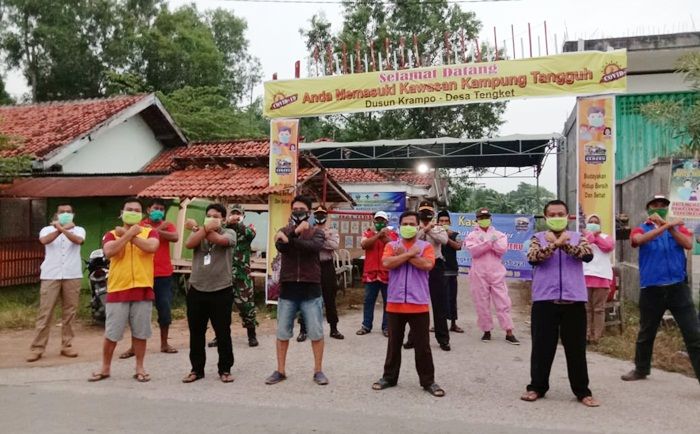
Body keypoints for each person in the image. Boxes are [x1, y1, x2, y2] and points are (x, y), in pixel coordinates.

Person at [520, 200, 599, 407]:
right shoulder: (537, 238)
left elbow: (587, 255)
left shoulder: (578, 237)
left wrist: (565, 243)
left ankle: (582, 391)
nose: (556, 217)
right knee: (541, 347)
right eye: (552, 214)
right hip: (545, 300)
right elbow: (534, 258)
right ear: (546, 218)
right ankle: (536, 387)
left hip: (574, 300)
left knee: (576, 349)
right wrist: (555, 245)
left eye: (560, 214)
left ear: (568, 216)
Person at [621, 195, 700, 383]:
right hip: (651, 288)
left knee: (693, 334)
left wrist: (670, 227)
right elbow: (638, 240)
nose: (659, 208)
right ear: (648, 209)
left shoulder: (678, 228)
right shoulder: (642, 228)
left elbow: (688, 244)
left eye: (663, 205)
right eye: (655, 205)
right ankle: (641, 369)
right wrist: (665, 226)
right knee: (646, 332)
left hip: (678, 288)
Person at [372, 211, 445, 397]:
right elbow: (387, 263)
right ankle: (389, 377)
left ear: (418, 225)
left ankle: (428, 381)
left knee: (423, 347)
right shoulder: (391, 245)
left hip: (418, 303)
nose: (408, 226)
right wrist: (409, 255)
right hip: (395, 303)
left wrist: (406, 255)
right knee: (393, 344)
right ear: (399, 225)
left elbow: (427, 265)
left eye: (412, 223)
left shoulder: (426, 246)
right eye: (405, 223)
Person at [89, 197, 159, 383]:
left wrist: (131, 236)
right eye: (129, 209)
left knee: (141, 332)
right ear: (121, 213)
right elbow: (110, 251)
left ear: (143, 214)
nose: (133, 212)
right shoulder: (111, 234)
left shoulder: (151, 232)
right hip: (118, 289)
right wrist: (127, 235)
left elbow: (151, 247)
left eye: (137, 210)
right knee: (112, 333)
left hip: (143, 288)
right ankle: (105, 367)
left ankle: (140, 367)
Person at [265, 195, 329, 386]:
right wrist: (293, 233)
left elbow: (313, 248)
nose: (298, 211)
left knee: (316, 333)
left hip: (311, 289)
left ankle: (318, 371)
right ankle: (280, 370)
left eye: (302, 208)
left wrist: (290, 239)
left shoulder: (317, 232)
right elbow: (280, 247)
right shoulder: (285, 230)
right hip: (288, 290)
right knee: (283, 333)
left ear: (309, 212)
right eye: (295, 208)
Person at [181, 204, 237, 383]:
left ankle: (225, 369)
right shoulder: (199, 233)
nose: (212, 218)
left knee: (222, 332)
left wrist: (199, 227)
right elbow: (189, 244)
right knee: (196, 332)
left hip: (221, 289)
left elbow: (220, 241)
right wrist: (201, 229)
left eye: (216, 216)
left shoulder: (229, 233)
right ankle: (196, 369)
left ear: (223, 219)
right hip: (197, 289)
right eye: (209, 215)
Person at [120, 198, 179, 359]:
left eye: (161, 209)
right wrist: (161, 229)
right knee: (137, 313)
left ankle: (164, 343)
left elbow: (175, 237)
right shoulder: (141, 224)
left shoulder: (168, 224)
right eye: (155, 208)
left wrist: (159, 230)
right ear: (148, 210)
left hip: (164, 275)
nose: (158, 211)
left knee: (165, 310)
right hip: (143, 275)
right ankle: (133, 346)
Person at [27, 203, 86, 362]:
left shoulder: (79, 229)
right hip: (50, 275)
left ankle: (67, 345)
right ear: (56, 214)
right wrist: (60, 228)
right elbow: (45, 240)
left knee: (69, 313)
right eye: (62, 212)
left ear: (73, 214)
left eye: (68, 212)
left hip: (72, 275)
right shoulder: (47, 230)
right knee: (45, 313)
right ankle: (37, 348)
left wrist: (63, 229)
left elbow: (77, 241)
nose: (65, 213)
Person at [463, 208, 519, 345]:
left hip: (496, 272)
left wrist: (486, 244)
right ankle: (486, 331)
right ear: (477, 220)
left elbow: (502, 249)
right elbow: (473, 251)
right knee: (481, 302)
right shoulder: (471, 235)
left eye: (486, 217)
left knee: (503, 301)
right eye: (481, 218)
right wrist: (489, 243)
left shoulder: (500, 234)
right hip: (479, 273)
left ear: (491, 219)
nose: (484, 220)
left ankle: (509, 331)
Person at [209, 204, 259, 348]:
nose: (235, 216)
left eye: (238, 213)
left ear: (243, 215)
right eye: (233, 213)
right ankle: (219, 337)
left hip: (242, 276)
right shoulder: (223, 230)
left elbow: (251, 234)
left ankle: (252, 335)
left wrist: (238, 224)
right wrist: (227, 223)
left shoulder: (247, 229)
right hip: (224, 275)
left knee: (246, 306)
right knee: (220, 309)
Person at [407, 201, 450, 351]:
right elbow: (412, 240)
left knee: (439, 303)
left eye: (428, 211)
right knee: (416, 302)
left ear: (433, 213)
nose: (426, 214)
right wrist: (424, 229)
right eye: (423, 211)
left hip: (436, 265)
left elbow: (444, 241)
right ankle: (412, 338)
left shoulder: (438, 228)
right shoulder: (413, 228)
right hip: (418, 266)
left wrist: (430, 229)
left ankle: (443, 339)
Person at [302, 205, 343, 339]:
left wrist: (318, 240)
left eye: (322, 214)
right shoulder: (308, 230)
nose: (320, 217)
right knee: (307, 297)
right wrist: (323, 238)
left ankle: (334, 329)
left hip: (327, 267)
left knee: (330, 297)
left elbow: (334, 245)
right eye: (317, 214)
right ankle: (303, 330)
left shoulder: (333, 231)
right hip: (312, 266)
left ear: (326, 216)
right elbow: (307, 246)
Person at [357, 211, 397, 337]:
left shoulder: (393, 234)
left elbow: (395, 248)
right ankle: (366, 326)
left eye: (382, 221)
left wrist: (384, 236)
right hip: (371, 273)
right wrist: (377, 235)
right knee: (368, 301)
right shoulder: (367, 233)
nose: (380, 223)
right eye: (377, 220)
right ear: (374, 222)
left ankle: (386, 327)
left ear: (387, 222)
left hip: (387, 273)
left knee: (388, 301)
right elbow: (364, 244)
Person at [582, 214, 614, 344]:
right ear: (586, 223)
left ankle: (597, 337)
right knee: (586, 309)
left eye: (596, 221)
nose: (594, 223)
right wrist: (590, 235)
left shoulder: (607, 237)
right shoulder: (583, 238)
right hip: (584, 276)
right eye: (591, 221)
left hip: (602, 278)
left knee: (599, 309)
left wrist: (596, 236)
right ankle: (586, 335)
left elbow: (607, 247)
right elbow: (583, 246)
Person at [437, 210, 464, 333]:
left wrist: (446, 237)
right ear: (437, 222)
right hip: (438, 270)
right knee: (438, 299)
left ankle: (453, 323)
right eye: (441, 221)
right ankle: (438, 324)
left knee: (452, 298)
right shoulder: (434, 234)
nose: (443, 223)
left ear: (450, 222)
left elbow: (458, 246)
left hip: (451, 270)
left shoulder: (455, 234)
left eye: (446, 221)